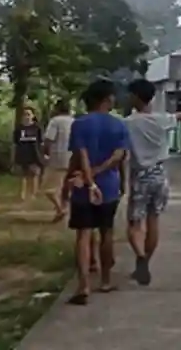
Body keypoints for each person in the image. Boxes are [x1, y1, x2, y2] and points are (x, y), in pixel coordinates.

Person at [66, 78, 129, 305]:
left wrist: (86, 178)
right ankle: (105, 280)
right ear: (107, 99)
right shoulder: (119, 125)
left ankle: (83, 285)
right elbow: (118, 157)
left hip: (83, 187)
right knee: (106, 233)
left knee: (83, 235)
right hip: (109, 186)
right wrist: (120, 181)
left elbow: (79, 155)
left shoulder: (79, 124)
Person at [123, 78, 181, 286]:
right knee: (154, 221)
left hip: (140, 177)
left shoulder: (128, 123)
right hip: (160, 175)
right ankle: (144, 262)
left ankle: (140, 257)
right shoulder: (163, 119)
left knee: (134, 224)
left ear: (135, 97)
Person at [41, 99, 74, 220]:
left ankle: (60, 209)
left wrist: (45, 154)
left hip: (57, 158)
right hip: (73, 158)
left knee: (48, 188)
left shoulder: (55, 121)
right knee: (66, 187)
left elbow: (49, 139)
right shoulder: (74, 121)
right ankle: (64, 209)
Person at [12, 106, 44, 201]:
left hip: (34, 154)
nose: (26, 116)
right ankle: (22, 194)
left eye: (28, 114)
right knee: (23, 175)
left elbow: (41, 142)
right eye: (25, 114)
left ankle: (33, 194)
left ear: (33, 116)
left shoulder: (37, 128)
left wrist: (43, 155)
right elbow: (15, 143)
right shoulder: (19, 128)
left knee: (34, 174)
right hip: (22, 154)